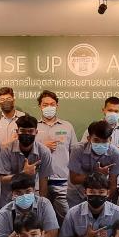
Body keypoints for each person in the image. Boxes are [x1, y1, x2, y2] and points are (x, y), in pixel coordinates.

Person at [36, 90, 78, 224]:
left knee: (66, 218)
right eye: (45, 104)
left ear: (57, 105)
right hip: (38, 181)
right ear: (40, 106)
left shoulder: (67, 126)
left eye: (52, 104)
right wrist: (42, 147)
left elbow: (75, 153)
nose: (49, 107)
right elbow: (27, 150)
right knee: (39, 217)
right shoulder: (33, 126)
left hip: (62, 181)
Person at [0, 114, 53, 205]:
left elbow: (43, 181)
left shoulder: (44, 152)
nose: (27, 134)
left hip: (31, 198)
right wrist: (23, 173)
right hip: (9, 199)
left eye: (30, 131)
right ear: (17, 131)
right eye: (23, 131)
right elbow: (2, 179)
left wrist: (41, 204)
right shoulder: (6, 150)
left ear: (36, 132)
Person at [68, 120, 119, 208]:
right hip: (77, 194)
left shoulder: (116, 154)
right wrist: (96, 173)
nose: (100, 144)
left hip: (101, 195)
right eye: (96, 140)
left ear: (110, 139)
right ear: (89, 138)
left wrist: (104, 201)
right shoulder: (77, 150)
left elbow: (113, 184)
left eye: (105, 141)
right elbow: (74, 179)